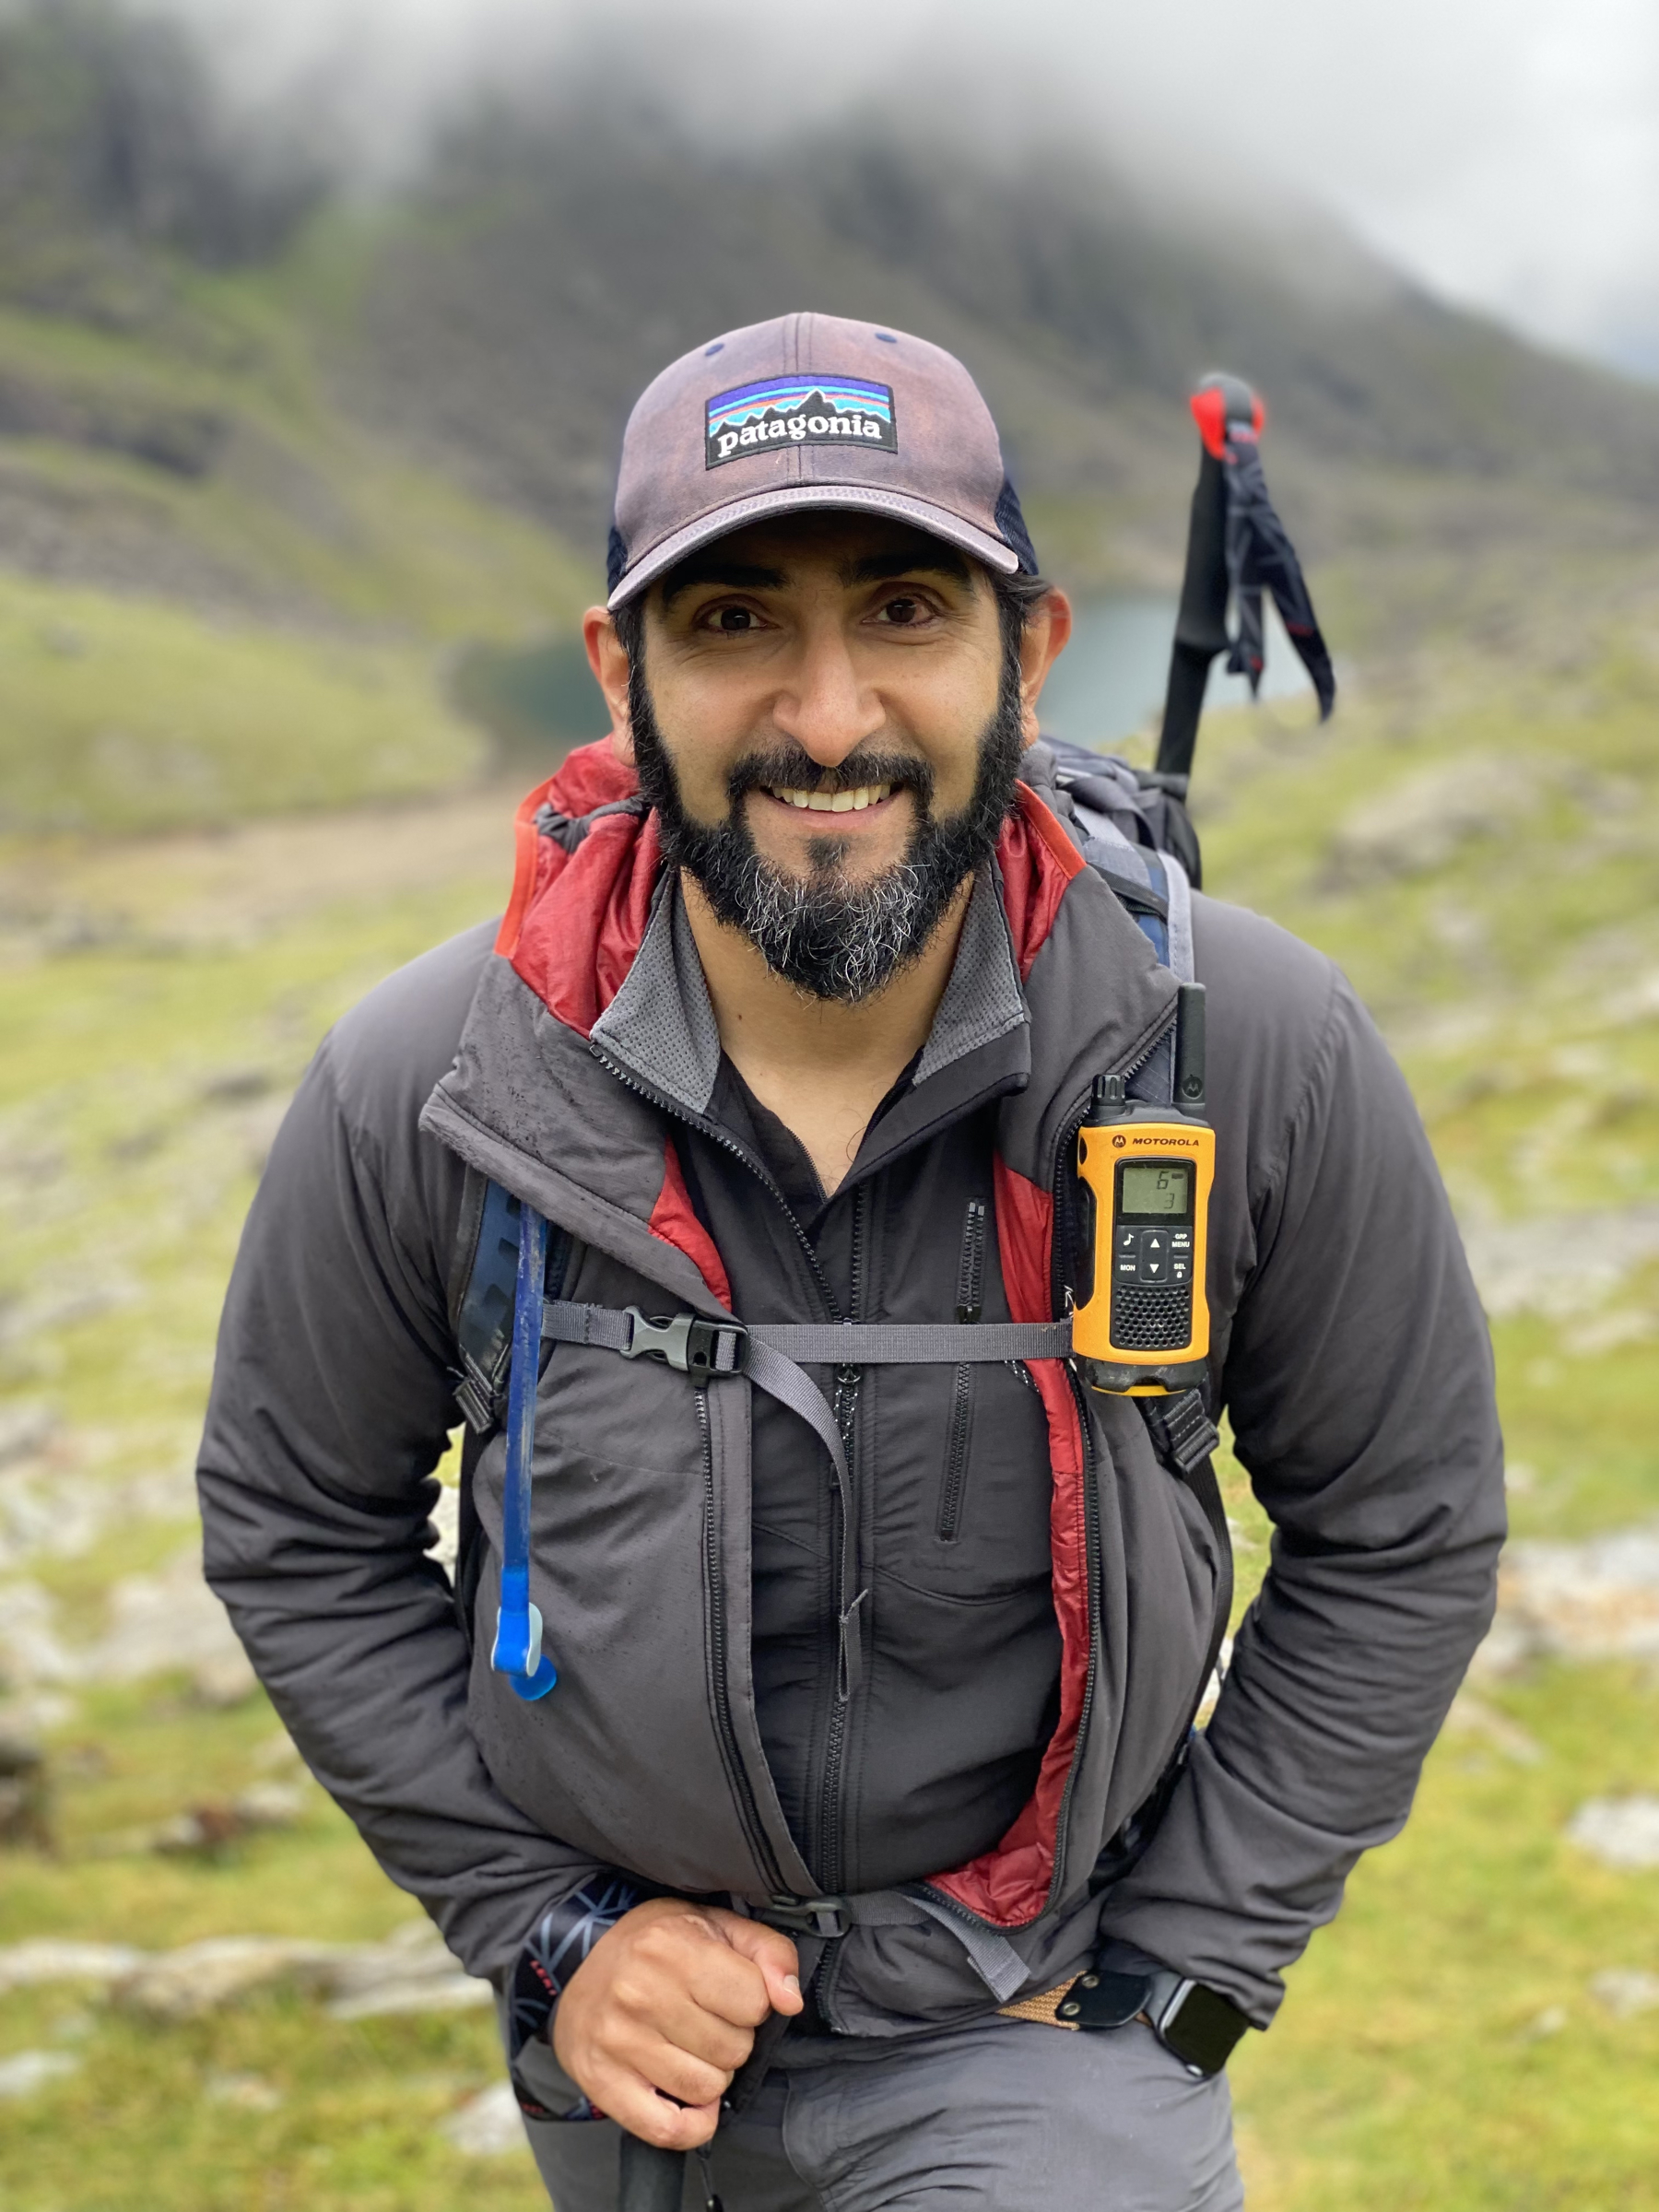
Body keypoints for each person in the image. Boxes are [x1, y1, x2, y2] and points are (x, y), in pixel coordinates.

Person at [198, 312, 1505, 2211]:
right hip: (631, 2059)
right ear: (620, 671)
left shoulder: (1251, 1055)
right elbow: (294, 1517)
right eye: (735, 623)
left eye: (904, 610)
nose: (826, 717)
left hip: (1039, 2021)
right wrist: (554, 1933)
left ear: (1028, 653)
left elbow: (1405, 1519)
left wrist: (1188, 1977)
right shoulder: (431, 1085)